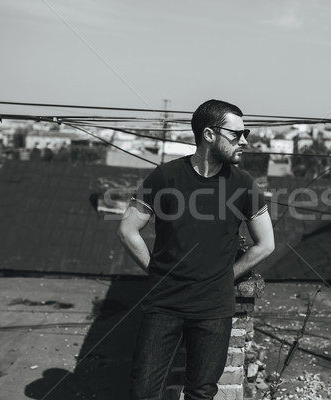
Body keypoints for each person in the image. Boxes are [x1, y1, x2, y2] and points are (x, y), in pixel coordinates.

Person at [117, 99, 275, 400]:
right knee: (143, 391)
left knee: (201, 392)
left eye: (246, 134)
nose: (244, 142)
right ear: (209, 134)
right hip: (164, 304)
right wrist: (157, 271)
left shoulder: (243, 184)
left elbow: (266, 244)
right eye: (237, 134)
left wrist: (226, 276)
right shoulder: (165, 176)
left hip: (214, 309)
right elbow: (127, 229)